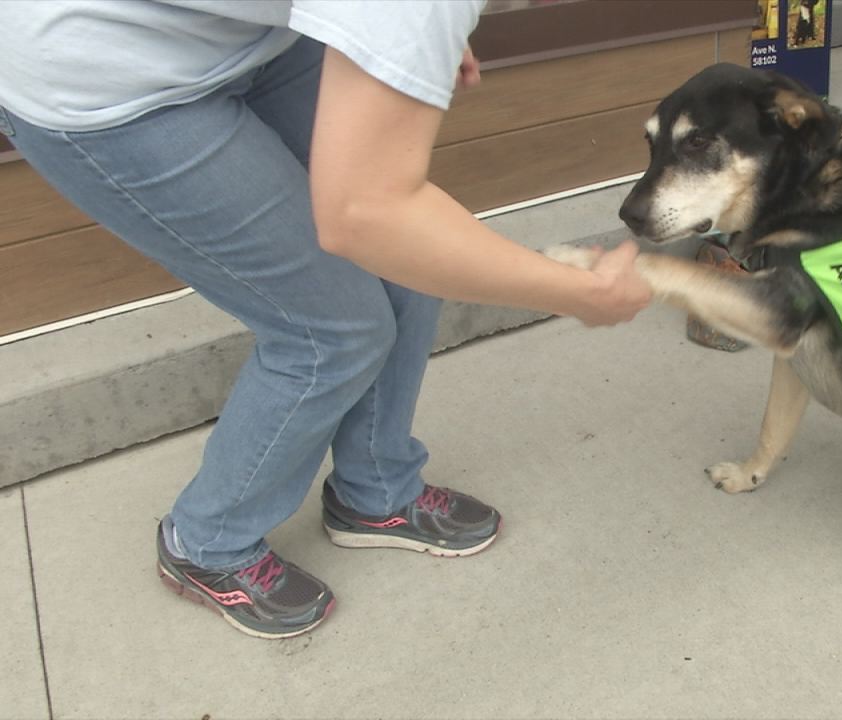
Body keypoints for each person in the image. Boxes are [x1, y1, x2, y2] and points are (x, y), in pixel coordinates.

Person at [0, 1, 652, 639]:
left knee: (407, 269)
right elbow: (364, 214)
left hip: (250, 35)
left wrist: (407, 34)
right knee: (330, 329)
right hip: (105, 78)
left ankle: (377, 491)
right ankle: (207, 540)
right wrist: (574, 293)